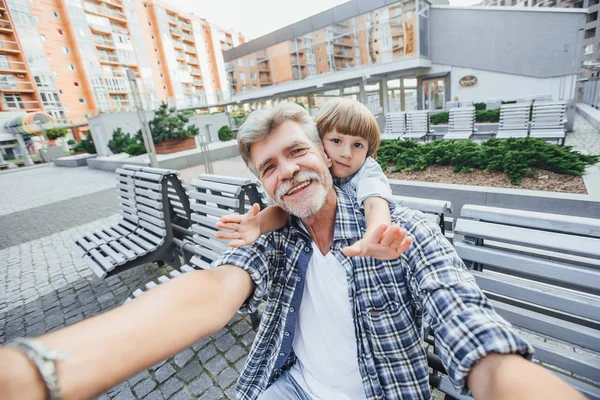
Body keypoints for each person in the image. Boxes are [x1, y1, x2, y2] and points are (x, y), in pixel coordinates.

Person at [0, 103, 585, 400]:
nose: (288, 172)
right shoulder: (275, 236)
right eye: (269, 167)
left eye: (298, 152)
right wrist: (39, 373)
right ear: (261, 182)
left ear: (327, 156)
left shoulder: (402, 232)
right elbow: (212, 294)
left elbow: (468, 329)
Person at [216, 98, 410, 260]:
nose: (346, 153)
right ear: (323, 148)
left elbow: (375, 204)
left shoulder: (367, 172)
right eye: (336, 141)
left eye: (358, 145)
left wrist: (376, 234)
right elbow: (283, 212)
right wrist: (258, 224)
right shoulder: (313, 174)